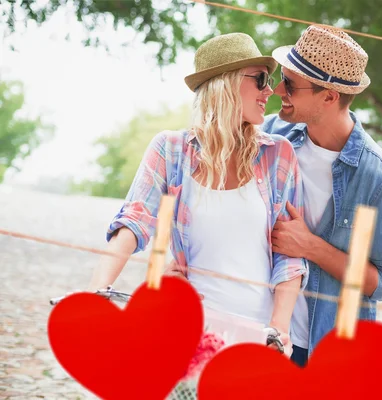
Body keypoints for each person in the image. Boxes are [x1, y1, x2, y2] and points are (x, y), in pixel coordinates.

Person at [85, 33, 308, 355]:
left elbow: (290, 256)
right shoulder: (171, 150)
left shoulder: (278, 155)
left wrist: (280, 330)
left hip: (256, 336)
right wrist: (96, 291)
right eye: (260, 79)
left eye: (269, 80)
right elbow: (134, 222)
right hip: (187, 328)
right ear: (225, 84)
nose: (269, 90)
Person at [260, 25, 382, 367]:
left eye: (292, 85)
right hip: (262, 332)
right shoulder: (270, 134)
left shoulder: (379, 178)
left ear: (329, 96)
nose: (278, 89)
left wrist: (310, 246)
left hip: (323, 351)